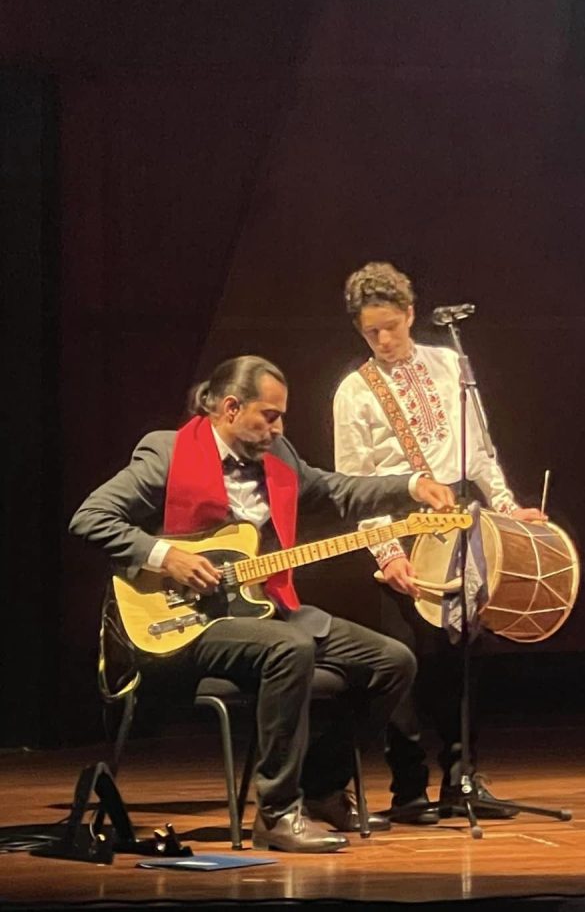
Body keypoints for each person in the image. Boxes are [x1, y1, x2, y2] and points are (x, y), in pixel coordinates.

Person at [70, 354, 455, 854]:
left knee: (392, 662)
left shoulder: (280, 456)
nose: (279, 428)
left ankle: (322, 788)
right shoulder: (167, 452)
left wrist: (410, 486)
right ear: (231, 408)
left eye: (281, 418)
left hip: (264, 609)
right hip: (185, 624)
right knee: (289, 647)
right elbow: (91, 516)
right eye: (269, 416)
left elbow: (336, 490)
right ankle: (276, 813)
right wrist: (166, 556)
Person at [332, 262, 546, 825]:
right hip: (401, 523)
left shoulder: (451, 364)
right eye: (370, 332)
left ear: (410, 314)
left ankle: (463, 777)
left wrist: (507, 507)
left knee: (464, 655)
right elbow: (355, 485)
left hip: (459, 517)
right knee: (403, 659)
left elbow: (481, 452)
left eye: (390, 327)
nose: (382, 340)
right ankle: (408, 789)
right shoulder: (354, 391)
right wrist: (387, 554)